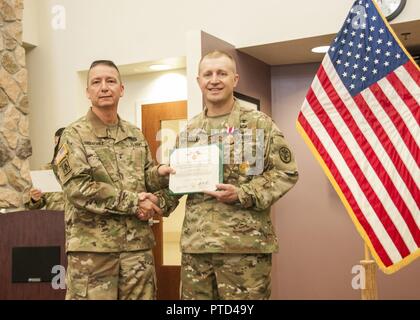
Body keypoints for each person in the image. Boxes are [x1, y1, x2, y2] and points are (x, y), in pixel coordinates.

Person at [162, 51, 299, 300]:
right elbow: (177, 183)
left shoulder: (259, 124)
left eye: (222, 73)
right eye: (208, 74)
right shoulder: (189, 131)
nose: (214, 80)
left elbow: (286, 172)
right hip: (197, 249)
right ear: (199, 81)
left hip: (244, 249)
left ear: (234, 80)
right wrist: (154, 198)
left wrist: (243, 193)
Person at [54, 60, 173, 300]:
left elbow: (144, 176)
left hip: (137, 250)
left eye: (111, 81)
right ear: (88, 92)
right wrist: (134, 202)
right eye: (96, 82)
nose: (104, 87)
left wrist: (159, 174)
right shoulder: (73, 135)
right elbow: (78, 189)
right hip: (94, 253)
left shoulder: (134, 134)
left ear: (121, 89)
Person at [27, 127, 66, 211]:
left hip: (77, 221)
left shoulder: (82, 168)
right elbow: (35, 207)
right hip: (52, 220)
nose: (58, 147)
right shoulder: (46, 169)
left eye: (61, 143)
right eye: (56, 143)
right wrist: (35, 199)